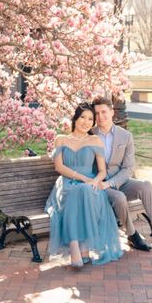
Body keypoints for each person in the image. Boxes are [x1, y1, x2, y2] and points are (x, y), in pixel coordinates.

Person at [92, 96, 152, 259]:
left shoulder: (125, 136)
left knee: (145, 185)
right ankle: (133, 235)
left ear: (112, 112)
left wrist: (112, 182)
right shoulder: (90, 135)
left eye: (104, 112)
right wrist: (103, 184)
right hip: (100, 186)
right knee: (119, 198)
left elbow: (127, 168)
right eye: (96, 113)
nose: (100, 117)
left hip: (119, 181)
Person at [45, 103, 123, 269]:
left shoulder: (95, 140)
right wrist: (81, 178)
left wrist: (95, 181)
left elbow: (102, 171)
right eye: (82, 117)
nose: (86, 122)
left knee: (85, 191)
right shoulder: (61, 139)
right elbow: (59, 167)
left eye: (90, 119)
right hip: (66, 182)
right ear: (75, 118)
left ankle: (83, 245)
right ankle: (76, 246)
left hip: (90, 184)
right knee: (78, 190)